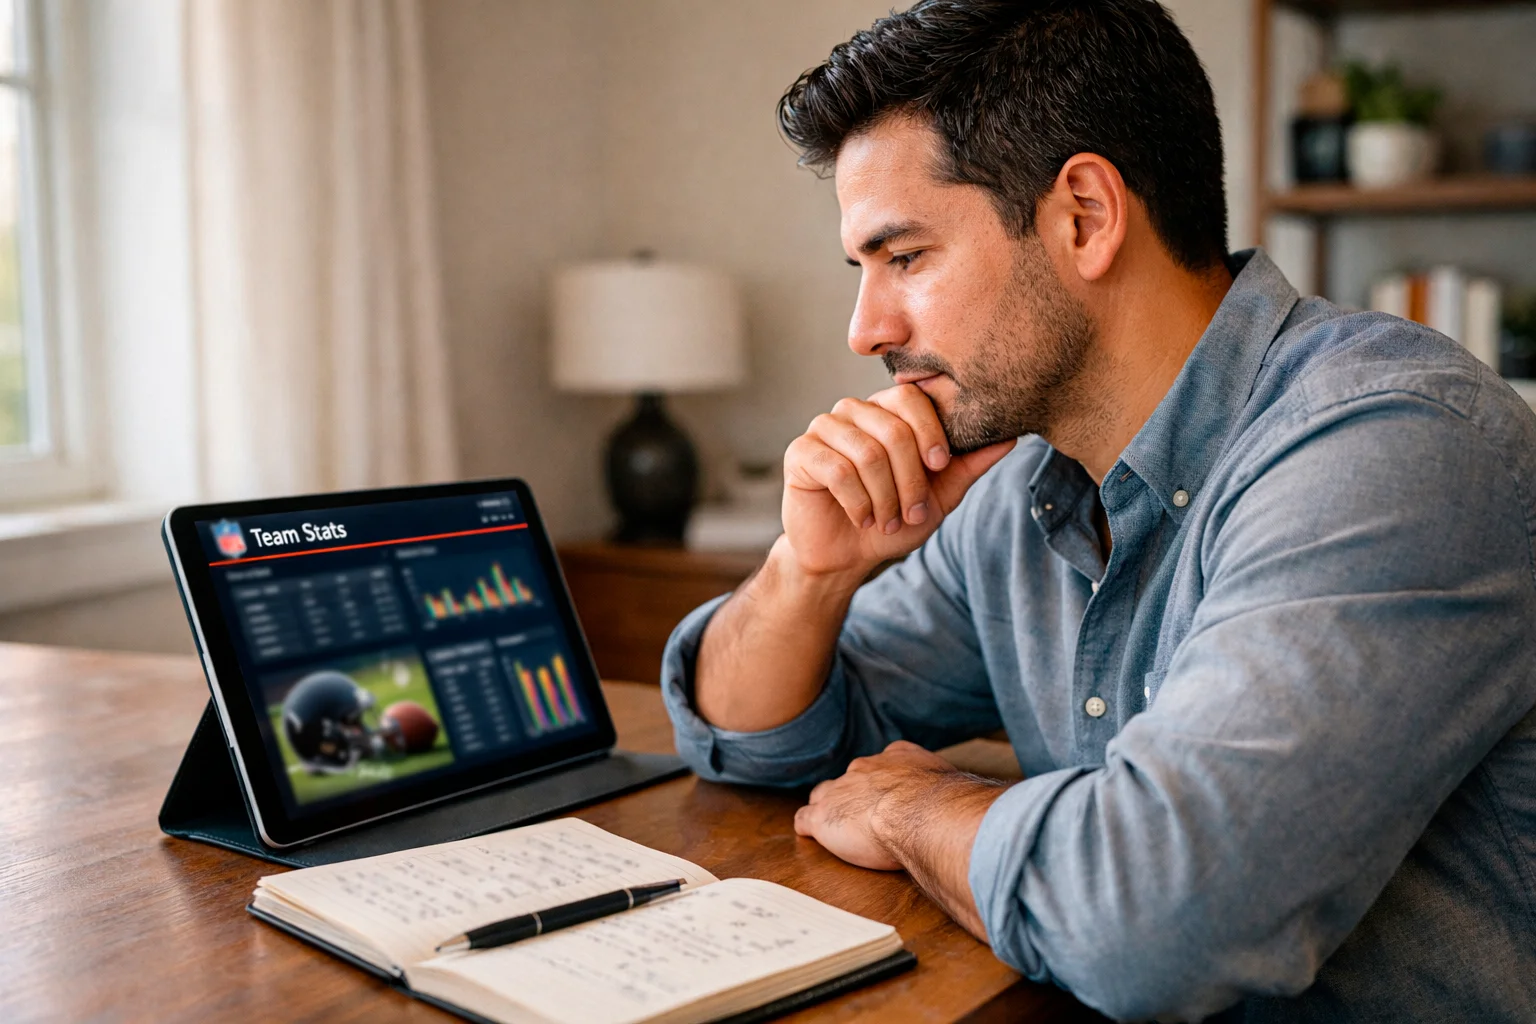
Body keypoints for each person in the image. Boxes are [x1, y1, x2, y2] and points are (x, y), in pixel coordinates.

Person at [659, 1, 1536, 1020]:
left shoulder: (1392, 444)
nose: (866, 328)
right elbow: (760, 741)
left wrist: (920, 807)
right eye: (863, 271)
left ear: (1084, 214)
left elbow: (1159, 925)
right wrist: (808, 573)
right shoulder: (1024, 488)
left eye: (904, 258)